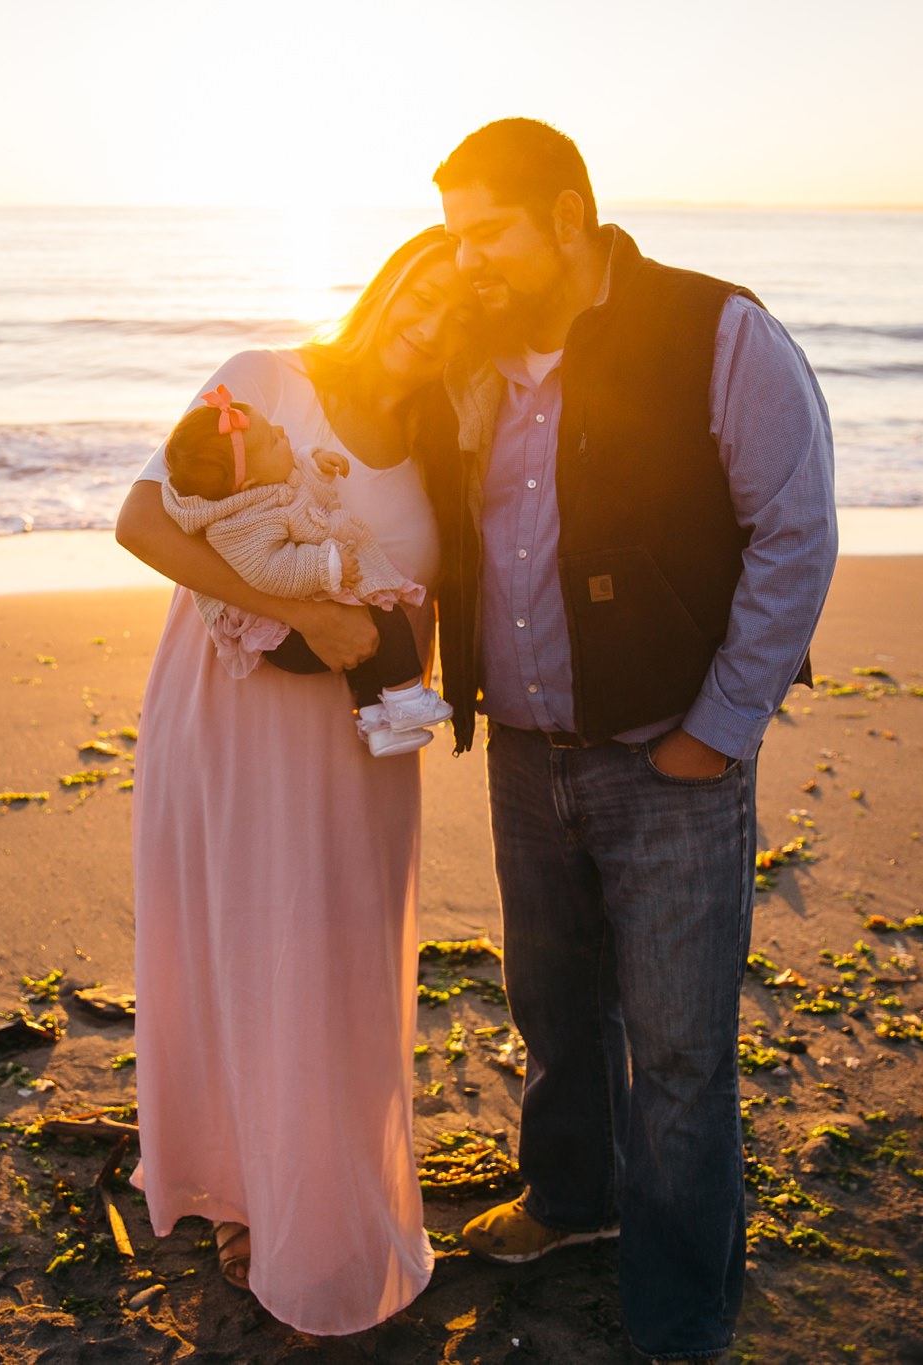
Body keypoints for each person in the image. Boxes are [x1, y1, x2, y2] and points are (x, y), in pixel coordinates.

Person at [426, 119, 836, 1363]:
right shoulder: (473, 351)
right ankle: (565, 1205)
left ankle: (679, 1321)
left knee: (677, 1056)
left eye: (486, 233)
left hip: (669, 759)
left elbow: (794, 534)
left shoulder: (716, 331)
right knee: (551, 1009)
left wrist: (714, 735)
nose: (470, 262)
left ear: (564, 216)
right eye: (454, 240)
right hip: (524, 750)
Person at [113, 225, 471, 1335]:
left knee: (339, 963)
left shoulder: (444, 445)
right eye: (425, 286)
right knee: (238, 945)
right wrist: (303, 611)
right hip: (229, 716)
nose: (434, 315)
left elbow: (431, 593)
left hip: (353, 743)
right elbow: (140, 524)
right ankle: (240, 1189)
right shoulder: (265, 382)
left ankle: (332, 1186)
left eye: (466, 308)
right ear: (389, 283)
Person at [159, 383, 454, 757]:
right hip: (285, 638)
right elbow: (266, 570)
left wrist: (314, 463)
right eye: (272, 441)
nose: (283, 433)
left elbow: (292, 475)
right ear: (247, 482)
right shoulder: (242, 522)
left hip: (301, 609)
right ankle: (408, 699)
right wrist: (325, 566)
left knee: (362, 650)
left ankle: (378, 723)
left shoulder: (259, 482)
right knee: (385, 615)